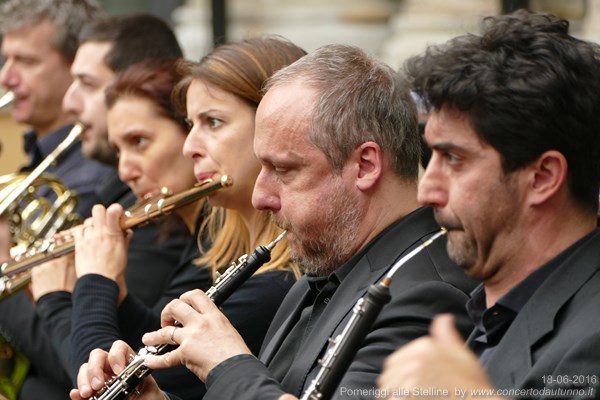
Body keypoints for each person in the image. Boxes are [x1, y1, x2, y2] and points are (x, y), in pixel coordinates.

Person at [71, 43, 477, 400]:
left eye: (283, 170)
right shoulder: (318, 276)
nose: (260, 197)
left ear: (365, 165)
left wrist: (227, 364)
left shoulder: (429, 298)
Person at [377, 10, 600, 399]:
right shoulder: (490, 313)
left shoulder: (591, 336)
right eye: (431, 158)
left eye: (454, 159)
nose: (427, 191)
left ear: (543, 177)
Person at [71, 36, 305, 399]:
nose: (189, 146)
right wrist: (114, 291)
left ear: (272, 125)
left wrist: (93, 280)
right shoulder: (218, 242)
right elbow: (150, 347)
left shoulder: (275, 286)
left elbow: (117, 385)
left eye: (212, 122)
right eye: (191, 123)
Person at [0, 14, 201, 400]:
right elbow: (150, 349)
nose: (125, 169)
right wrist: (112, 292)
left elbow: (113, 378)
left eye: (139, 141)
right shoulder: (129, 194)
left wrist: (71, 292)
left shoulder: (163, 220)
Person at [0, 0, 112, 217]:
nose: (5, 78)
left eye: (26, 61)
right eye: (6, 60)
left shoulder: (90, 178)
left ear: (78, 64)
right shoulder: (40, 154)